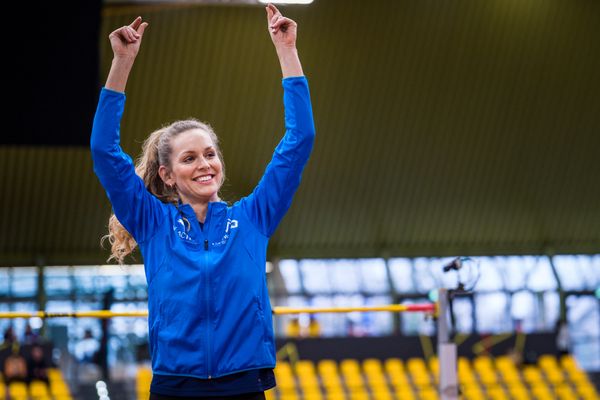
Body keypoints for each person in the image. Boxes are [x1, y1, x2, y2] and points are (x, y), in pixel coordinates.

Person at [90, 3, 315, 399]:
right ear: (167, 174)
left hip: (244, 384)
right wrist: (122, 63)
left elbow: (299, 141)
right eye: (189, 158)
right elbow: (104, 151)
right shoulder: (152, 223)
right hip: (174, 386)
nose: (205, 164)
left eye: (210, 154)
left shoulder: (253, 218)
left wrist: (287, 50)